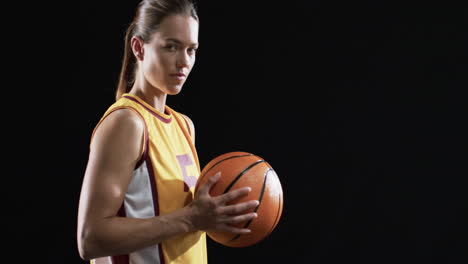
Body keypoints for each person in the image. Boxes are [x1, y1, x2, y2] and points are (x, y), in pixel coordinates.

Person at [76, 0, 259, 263]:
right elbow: (90, 238)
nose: (184, 61)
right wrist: (192, 218)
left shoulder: (184, 126)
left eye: (191, 49)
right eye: (171, 47)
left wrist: (215, 214)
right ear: (139, 48)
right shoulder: (127, 122)